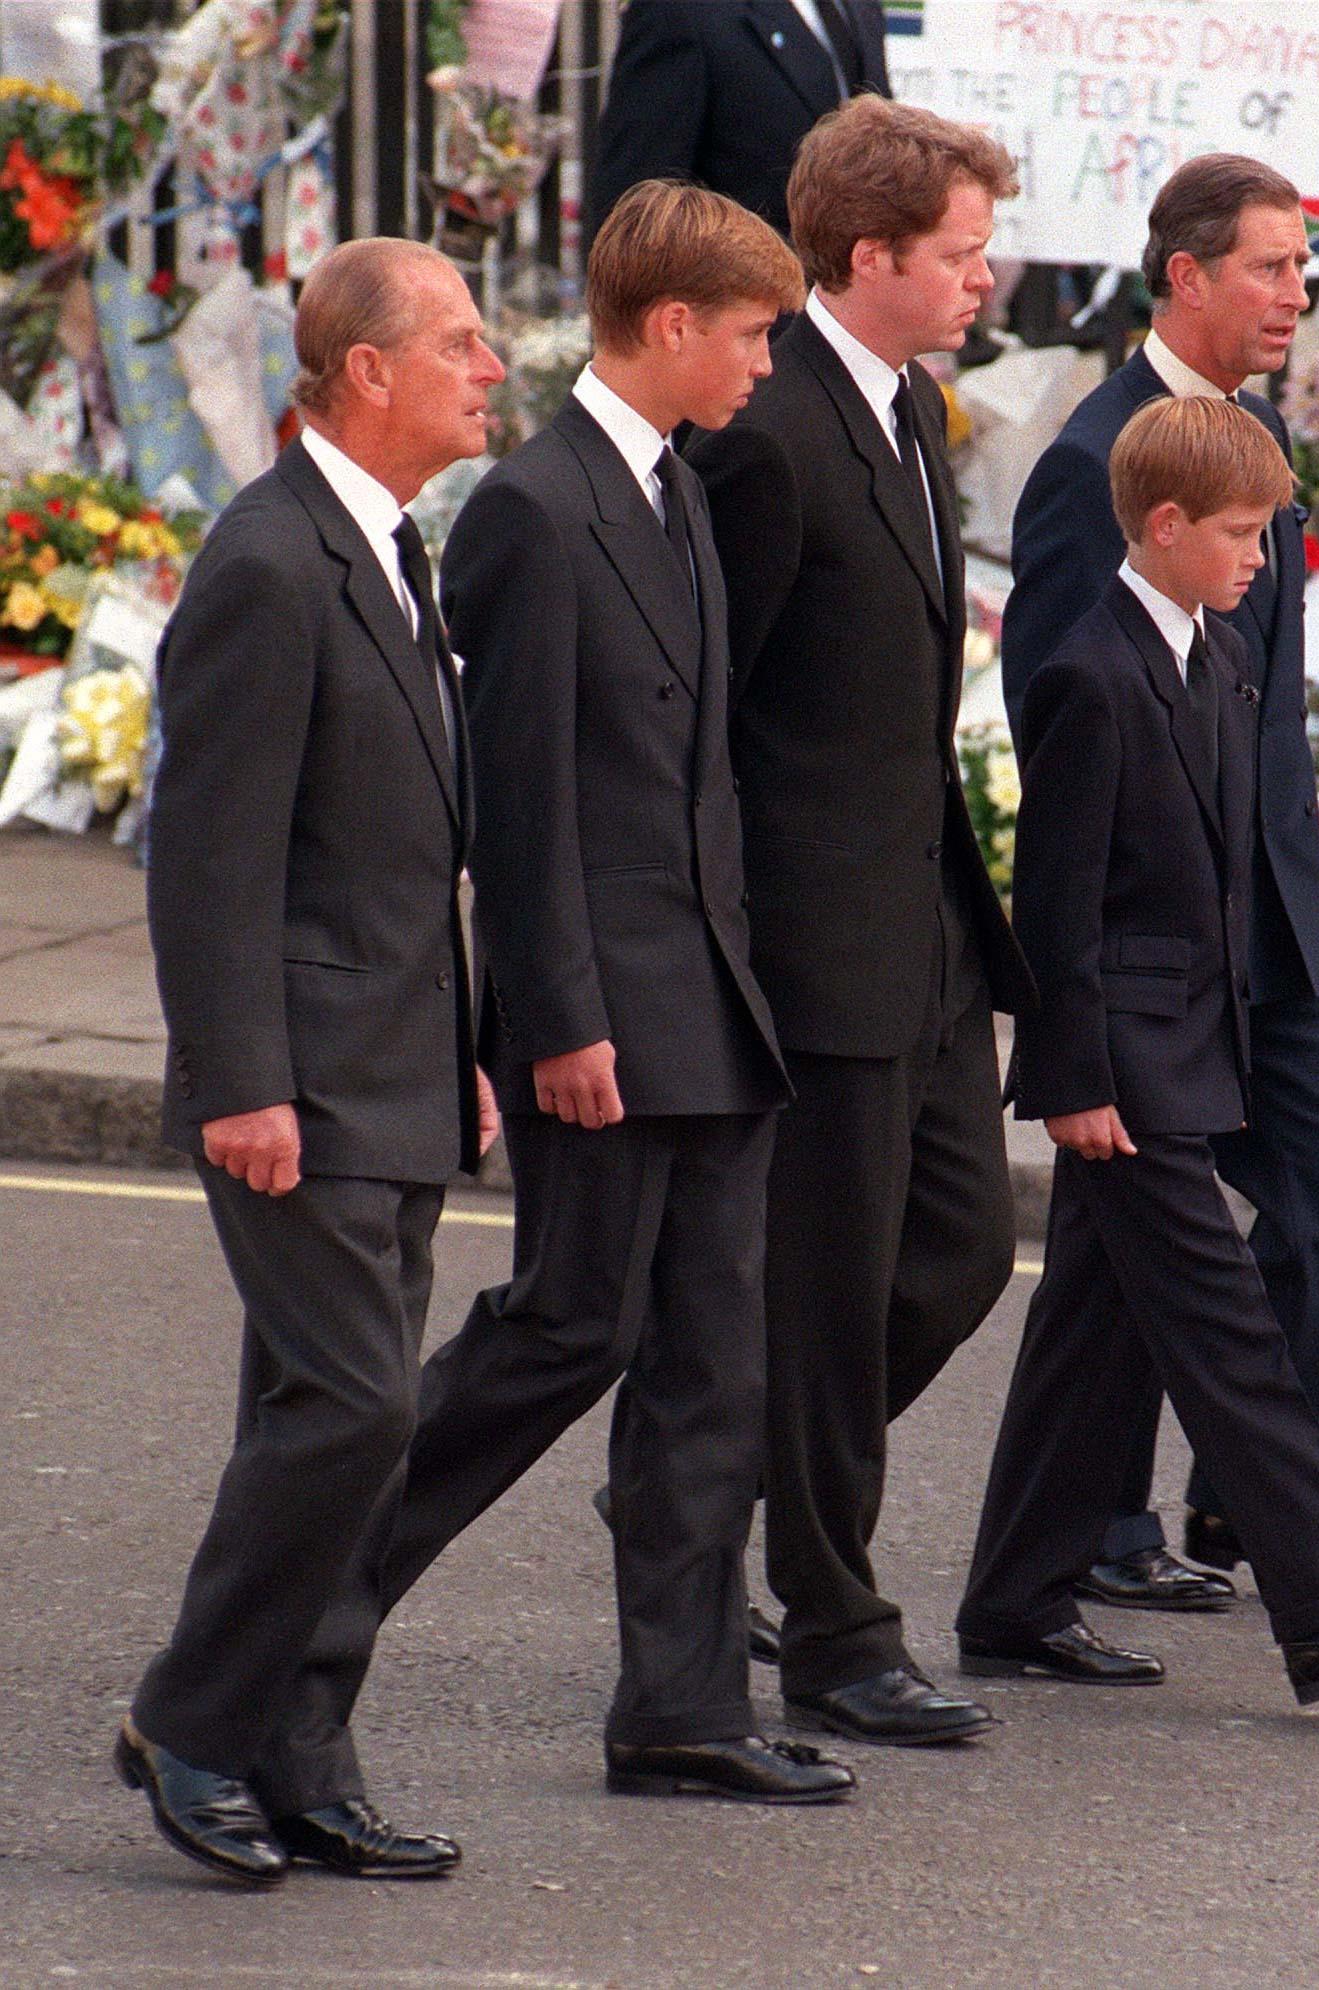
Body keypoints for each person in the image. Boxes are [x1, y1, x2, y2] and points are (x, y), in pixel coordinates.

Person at [263, 181, 856, 1810]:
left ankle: (680, 1707)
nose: (764, 364)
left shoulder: (676, 485)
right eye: (751, 335)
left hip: (711, 1005)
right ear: (671, 326)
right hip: (607, 1015)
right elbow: (518, 804)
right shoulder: (535, 507)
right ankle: (284, 1625)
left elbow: (698, 776)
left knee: (711, 1364)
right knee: (561, 1332)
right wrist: (554, 1018)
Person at [689, 95, 1150, 1751]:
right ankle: (833, 1625)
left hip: (930, 926)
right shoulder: (765, 426)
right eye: (958, 255)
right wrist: (729, 945)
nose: (984, 278)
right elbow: (709, 720)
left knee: (955, 1258)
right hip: (817, 947)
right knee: (824, 1294)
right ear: (867, 255)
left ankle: (702, 1487)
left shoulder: (911, 404)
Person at [956, 396, 1319, 1707]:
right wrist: (1069, 1079)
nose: (1261, 558)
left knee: (1088, 1337)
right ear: (1162, 526)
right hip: (1120, 1071)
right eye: (1240, 533)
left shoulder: (1218, 654)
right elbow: (1054, 907)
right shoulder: (1087, 672)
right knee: (1231, 1336)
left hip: (1191, 1045)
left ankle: (1012, 1598)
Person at [117, 238, 505, 1885]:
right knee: (351, 1408)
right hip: (301, 1078)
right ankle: (193, 1723)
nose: (493, 368)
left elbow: (409, 846)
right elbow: (208, 857)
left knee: (323, 1414)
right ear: (367, 371)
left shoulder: (396, 549)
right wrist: (238, 1081)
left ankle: (297, 1745)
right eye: (465, 343)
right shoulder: (270, 563)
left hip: (399, 1061)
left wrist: (471, 1046)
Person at [1000, 154, 1319, 1615]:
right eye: (1270, 268)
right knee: (1122, 1240)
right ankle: (1118, 1530)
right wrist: (1084, 996)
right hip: (1160, 935)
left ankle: (1247, 1505)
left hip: (1274, 908)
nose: (1295, 294)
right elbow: (1067, 723)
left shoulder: (1257, 429)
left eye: (1302, 270)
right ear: (1185, 275)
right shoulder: (1087, 464)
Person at [588, 0, 890, 244]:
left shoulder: (859, 9)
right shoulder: (680, 11)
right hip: (748, 303)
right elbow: (634, 208)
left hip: (857, 306)